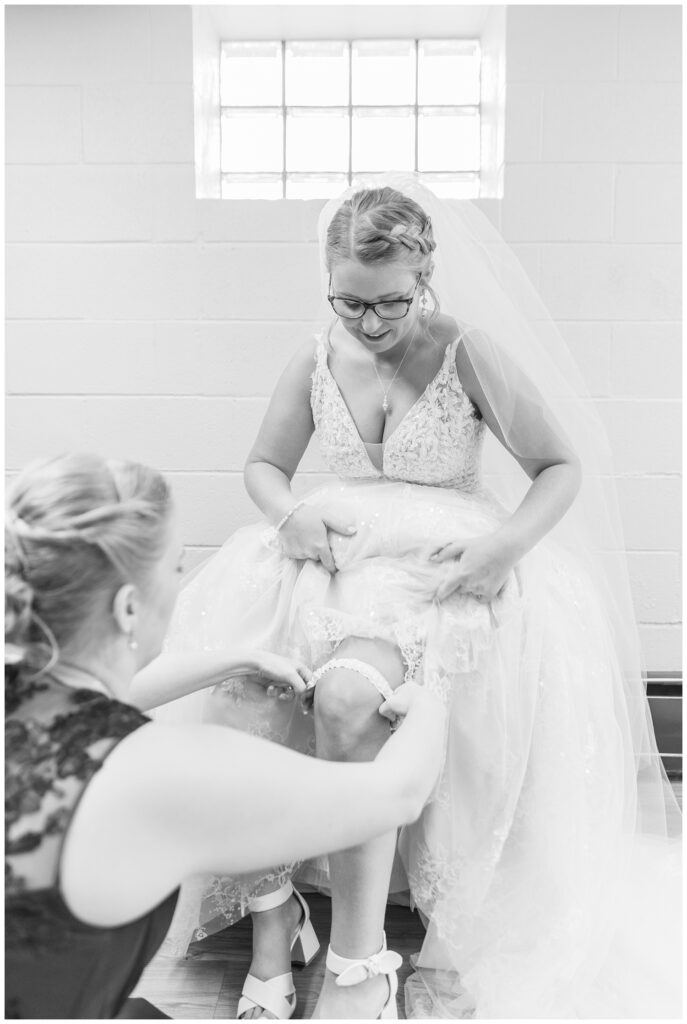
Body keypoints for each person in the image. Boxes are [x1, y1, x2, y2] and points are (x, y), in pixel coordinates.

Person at [156, 177, 681, 1020]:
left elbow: (560, 465)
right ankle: (273, 918)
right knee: (242, 693)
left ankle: (360, 964)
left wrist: (501, 547)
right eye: (348, 303)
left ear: (426, 273)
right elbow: (263, 465)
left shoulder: (466, 350)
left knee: (349, 701)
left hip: (439, 566)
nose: (367, 323)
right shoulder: (314, 354)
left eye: (389, 303)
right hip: (330, 553)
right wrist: (285, 514)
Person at [4, 452, 446, 1021]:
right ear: (129, 607)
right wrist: (428, 708)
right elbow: (396, 794)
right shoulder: (160, 771)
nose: (183, 579)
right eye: (174, 567)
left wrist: (235, 659)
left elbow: (115, 691)